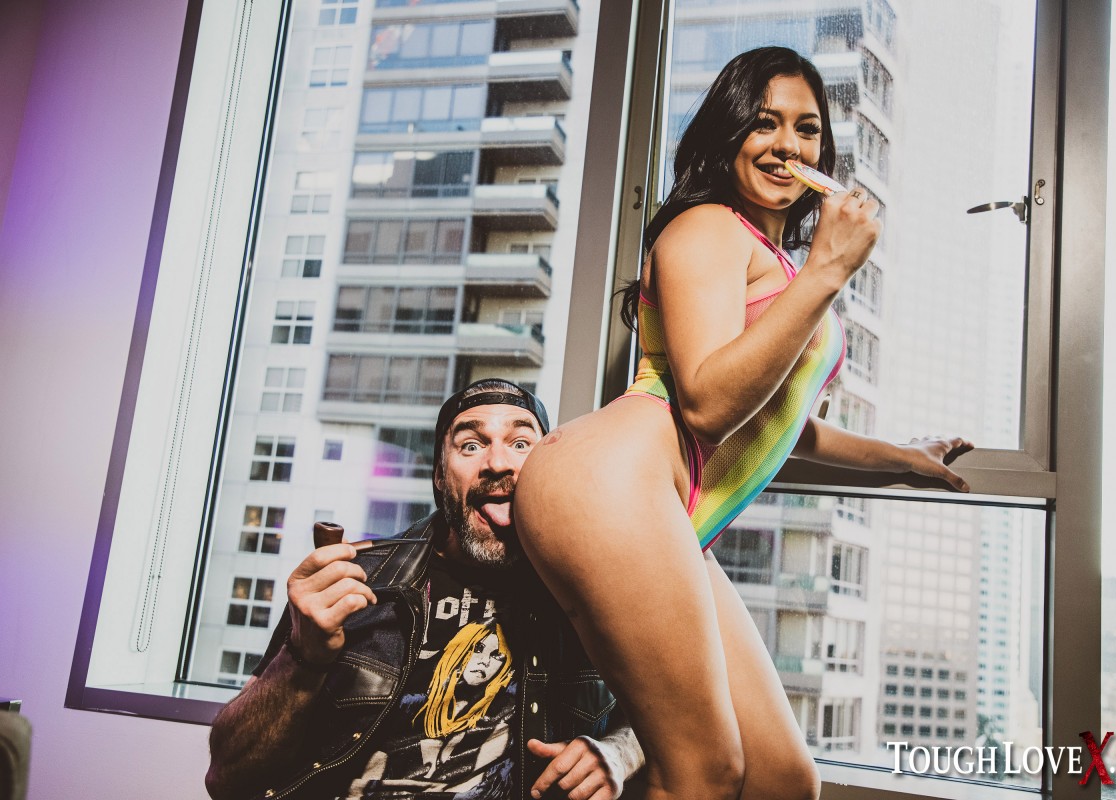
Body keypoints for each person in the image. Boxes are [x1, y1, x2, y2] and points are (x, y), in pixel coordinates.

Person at [513, 46, 973, 800]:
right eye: (764, 123)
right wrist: (829, 270)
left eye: (806, 128)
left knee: (784, 779)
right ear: (728, 134)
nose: (788, 145)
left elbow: (781, 427)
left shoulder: (777, 263)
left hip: (664, 512)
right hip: (610, 481)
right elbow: (707, 405)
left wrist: (902, 454)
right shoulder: (707, 227)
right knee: (705, 770)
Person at [206, 379, 644, 800]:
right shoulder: (357, 580)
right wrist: (304, 656)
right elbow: (227, 777)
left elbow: (670, 708)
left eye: (520, 443)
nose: (497, 463)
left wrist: (619, 753)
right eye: (470, 445)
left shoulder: (587, 590)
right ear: (439, 476)